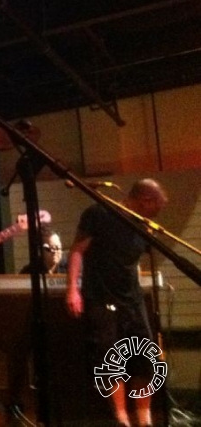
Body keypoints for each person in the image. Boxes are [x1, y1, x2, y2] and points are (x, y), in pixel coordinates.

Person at [65, 178, 168, 427]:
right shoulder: (99, 213)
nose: (158, 211)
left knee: (145, 358)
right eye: (157, 206)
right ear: (145, 200)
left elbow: (131, 260)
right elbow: (77, 250)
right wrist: (72, 289)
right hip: (102, 296)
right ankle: (121, 417)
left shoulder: (142, 224)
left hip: (132, 299)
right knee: (111, 359)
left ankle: (144, 418)